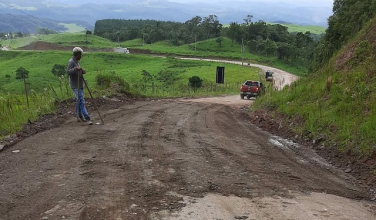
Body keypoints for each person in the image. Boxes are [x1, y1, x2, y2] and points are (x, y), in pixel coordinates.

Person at [67, 47, 92, 124]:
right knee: (81, 100)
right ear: (77, 55)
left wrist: (82, 71)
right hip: (75, 85)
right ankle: (86, 116)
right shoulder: (71, 62)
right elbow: (68, 72)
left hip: (79, 84)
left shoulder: (76, 62)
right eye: (80, 55)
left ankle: (78, 115)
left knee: (78, 100)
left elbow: (77, 71)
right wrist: (76, 69)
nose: (81, 56)